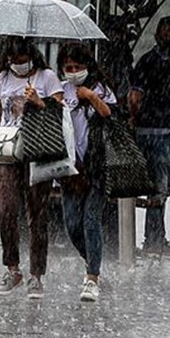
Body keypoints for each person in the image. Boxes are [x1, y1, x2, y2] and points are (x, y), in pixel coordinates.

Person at [0, 36, 64, 299]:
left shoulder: (47, 77)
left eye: (21, 60)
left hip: (37, 150)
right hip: (8, 151)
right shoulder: (2, 79)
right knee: (6, 209)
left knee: (37, 213)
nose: (17, 65)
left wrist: (39, 102)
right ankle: (12, 267)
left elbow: (60, 112)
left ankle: (36, 274)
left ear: (30, 55)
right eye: (12, 60)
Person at [57, 42, 115, 301]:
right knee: (72, 224)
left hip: (97, 165)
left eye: (77, 67)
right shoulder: (60, 89)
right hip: (71, 168)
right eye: (68, 67)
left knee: (91, 220)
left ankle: (92, 277)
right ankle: (92, 260)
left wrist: (90, 96)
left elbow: (109, 113)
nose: (73, 71)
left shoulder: (100, 88)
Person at [128, 16, 170, 260]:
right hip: (154, 133)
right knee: (158, 188)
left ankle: (156, 236)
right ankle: (153, 240)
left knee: (165, 189)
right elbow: (134, 97)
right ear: (158, 35)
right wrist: (136, 121)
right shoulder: (147, 63)